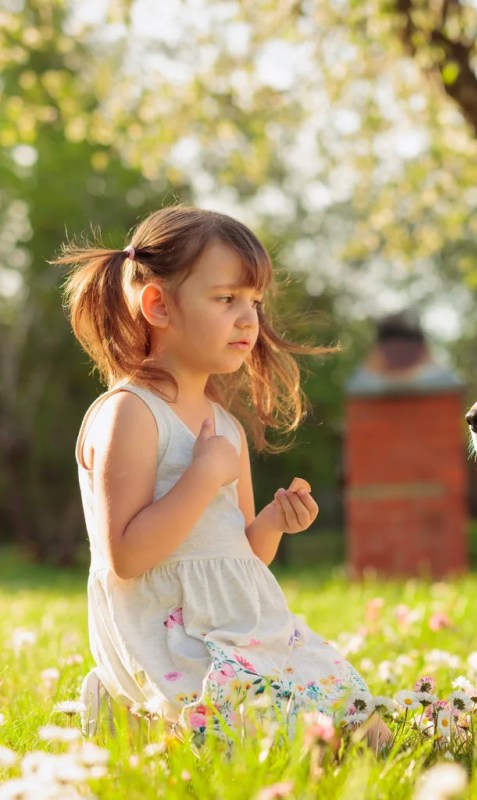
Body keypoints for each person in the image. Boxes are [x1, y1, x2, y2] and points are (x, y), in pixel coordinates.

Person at [58, 206, 389, 747]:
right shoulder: (132, 413)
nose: (248, 319)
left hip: (242, 624)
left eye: (254, 302)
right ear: (159, 305)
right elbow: (126, 556)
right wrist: (202, 477)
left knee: (360, 726)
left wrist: (274, 524)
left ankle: (144, 720)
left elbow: (243, 555)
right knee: (274, 739)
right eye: (226, 298)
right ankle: (128, 706)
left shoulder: (226, 428)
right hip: (174, 635)